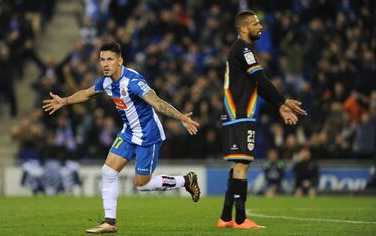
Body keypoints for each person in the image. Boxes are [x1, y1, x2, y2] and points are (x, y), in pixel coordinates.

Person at [42, 42, 201, 234]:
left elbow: (157, 102)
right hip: (128, 133)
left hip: (148, 136)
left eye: (110, 59)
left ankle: (186, 180)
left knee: (142, 185)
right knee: (108, 172)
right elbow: (87, 93)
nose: (105, 64)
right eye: (102, 59)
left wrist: (181, 116)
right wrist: (65, 101)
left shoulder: (133, 81)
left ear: (120, 60)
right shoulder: (106, 82)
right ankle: (109, 222)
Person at [217, 10, 307, 229]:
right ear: (243, 28)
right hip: (240, 113)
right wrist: (284, 101)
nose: (260, 27)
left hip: (235, 113)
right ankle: (240, 219)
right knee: (242, 164)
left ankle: (226, 217)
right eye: (256, 24)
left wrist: (279, 106)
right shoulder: (243, 49)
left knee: (238, 164)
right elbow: (261, 79)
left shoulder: (240, 50)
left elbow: (258, 85)